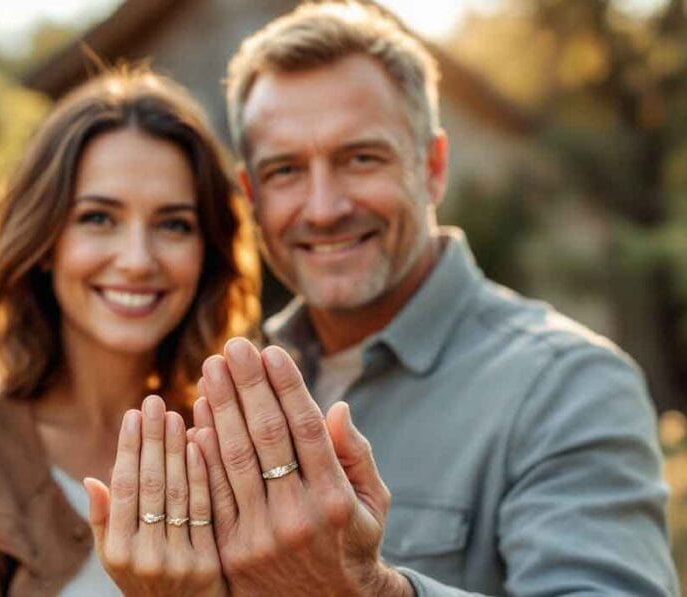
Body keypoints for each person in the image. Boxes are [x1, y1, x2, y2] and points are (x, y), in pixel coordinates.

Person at [174, 2, 677, 595]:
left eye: (361, 158)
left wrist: (371, 589)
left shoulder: (571, 386)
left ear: (432, 167)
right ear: (251, 195)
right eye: (285, 170)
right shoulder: (222, 393)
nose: (324, 207)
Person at [0, 68, 260, 596]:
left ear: (207, 251)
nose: (138, 261)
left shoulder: (239, 448)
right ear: (46, 241)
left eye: (174, 224)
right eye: (98, 218)